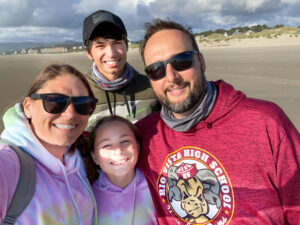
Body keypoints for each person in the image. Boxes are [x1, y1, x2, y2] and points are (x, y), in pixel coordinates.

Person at [136, 18, 300, 225]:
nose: (171, 77)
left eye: (182, 61)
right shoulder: (143, 136)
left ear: (201, 62)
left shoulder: (266, 122)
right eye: (156, 70)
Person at [0, 64, 98, 225]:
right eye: (55, 102)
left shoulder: (80, 157)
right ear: (28, 107)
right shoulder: (10, 163)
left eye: (83, 104)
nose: (70, 114)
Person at [82, 9, 159, 127]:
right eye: (100, 46)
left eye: (116, 43)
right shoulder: (79, 94)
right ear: (88, 53)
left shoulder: (152, 88)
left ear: (126, 45)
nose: (111, 53)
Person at [88, 115, 157, 225]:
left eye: (125, 141)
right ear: (95, 157)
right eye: (107, 145)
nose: (118, 150)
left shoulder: (155, 187)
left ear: (137, 147)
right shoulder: (88, 197)